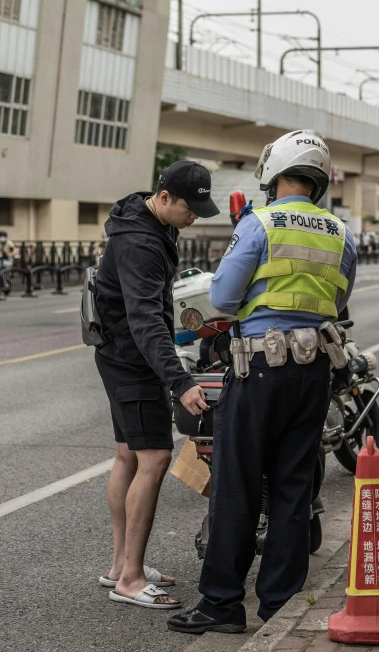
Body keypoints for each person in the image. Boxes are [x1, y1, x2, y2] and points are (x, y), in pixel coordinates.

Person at [168, 130, 357, 635]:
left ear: (274, 176)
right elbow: (339, 304)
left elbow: (225, 297)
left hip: (259, 369)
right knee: (295, 486)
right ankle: (280, 606)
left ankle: (222, 604)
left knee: (238, 485)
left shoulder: (260, 224)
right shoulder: (340, 231)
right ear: (317, 180)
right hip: (313, 370)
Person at [94, 160, 220, 609]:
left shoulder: (141, 218)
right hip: (132, 358)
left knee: (128, 453)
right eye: (191, 208)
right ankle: (130, 578)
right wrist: (181, 380)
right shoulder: (142, 243)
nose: (195, 217)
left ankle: (119, 566)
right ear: (164, 198)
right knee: (156, 457)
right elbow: (146, 319)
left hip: (118, 351)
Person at [0, 230, 16, 295]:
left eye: (3, 236)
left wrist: (10, 255)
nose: (2, 238)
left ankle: (6, 284)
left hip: (8, 261)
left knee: (6, 273)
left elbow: (14, 250)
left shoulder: (9, 243)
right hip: (1, 260)